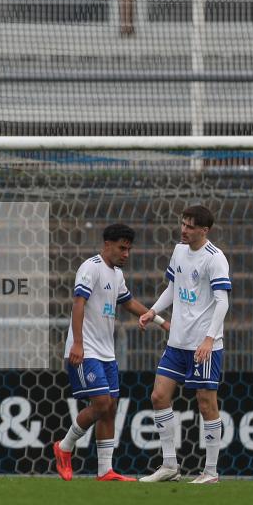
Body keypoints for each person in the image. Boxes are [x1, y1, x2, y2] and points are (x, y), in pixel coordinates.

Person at [52, 224, 170, 482]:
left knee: (110, 407)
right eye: (121, 248)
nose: (126, 254)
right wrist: (78, 343)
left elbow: (129, 302)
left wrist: (160, 321)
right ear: (107, 244)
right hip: (86, 350)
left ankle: (105, 470)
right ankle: (64, 446)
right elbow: (78, 304)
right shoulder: (91, 267)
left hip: (106, 352)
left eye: (129, 249)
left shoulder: (116, 274)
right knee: (101, 403)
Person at [139, 205, 231, 484]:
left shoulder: (215, 258)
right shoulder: (179, 251)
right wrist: (153, 311)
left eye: (190, 226)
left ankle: (211, 472)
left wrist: (209, 339)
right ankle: (169, 465)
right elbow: (173, 288)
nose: (184, 230)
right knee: (159, 396)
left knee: (206, 403)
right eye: (183, 224)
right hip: (177, 342)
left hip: (203, 345)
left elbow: (222, 302)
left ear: (204, 230)